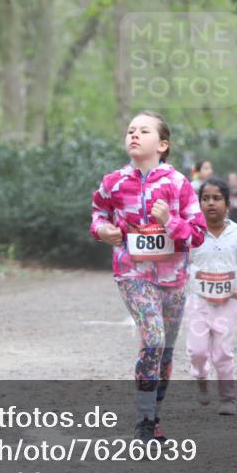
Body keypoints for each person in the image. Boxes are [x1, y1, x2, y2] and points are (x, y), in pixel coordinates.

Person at [91, 111, 206, 442]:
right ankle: (143, 421)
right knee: (153, 339)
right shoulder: (113, 182)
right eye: (130, 130)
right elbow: (98, 214)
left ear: (163, 144)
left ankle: (153, 417)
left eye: (144, 131)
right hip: (132, 273)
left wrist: (170, 221)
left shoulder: (178, 184)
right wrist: (104, 230)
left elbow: (197, 235)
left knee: (165, 350)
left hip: (174, 279)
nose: (134, 135)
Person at [185, 178, 237, 416]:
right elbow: (179, 263)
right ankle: (201, 378)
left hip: (227, 304)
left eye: (217, 198)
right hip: (198, 303)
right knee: (197, 352)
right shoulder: (192, 233)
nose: (211, 203)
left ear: (228, 204)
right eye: (205, 199)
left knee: (223, 352)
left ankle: (228, 398)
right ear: (199, 203)